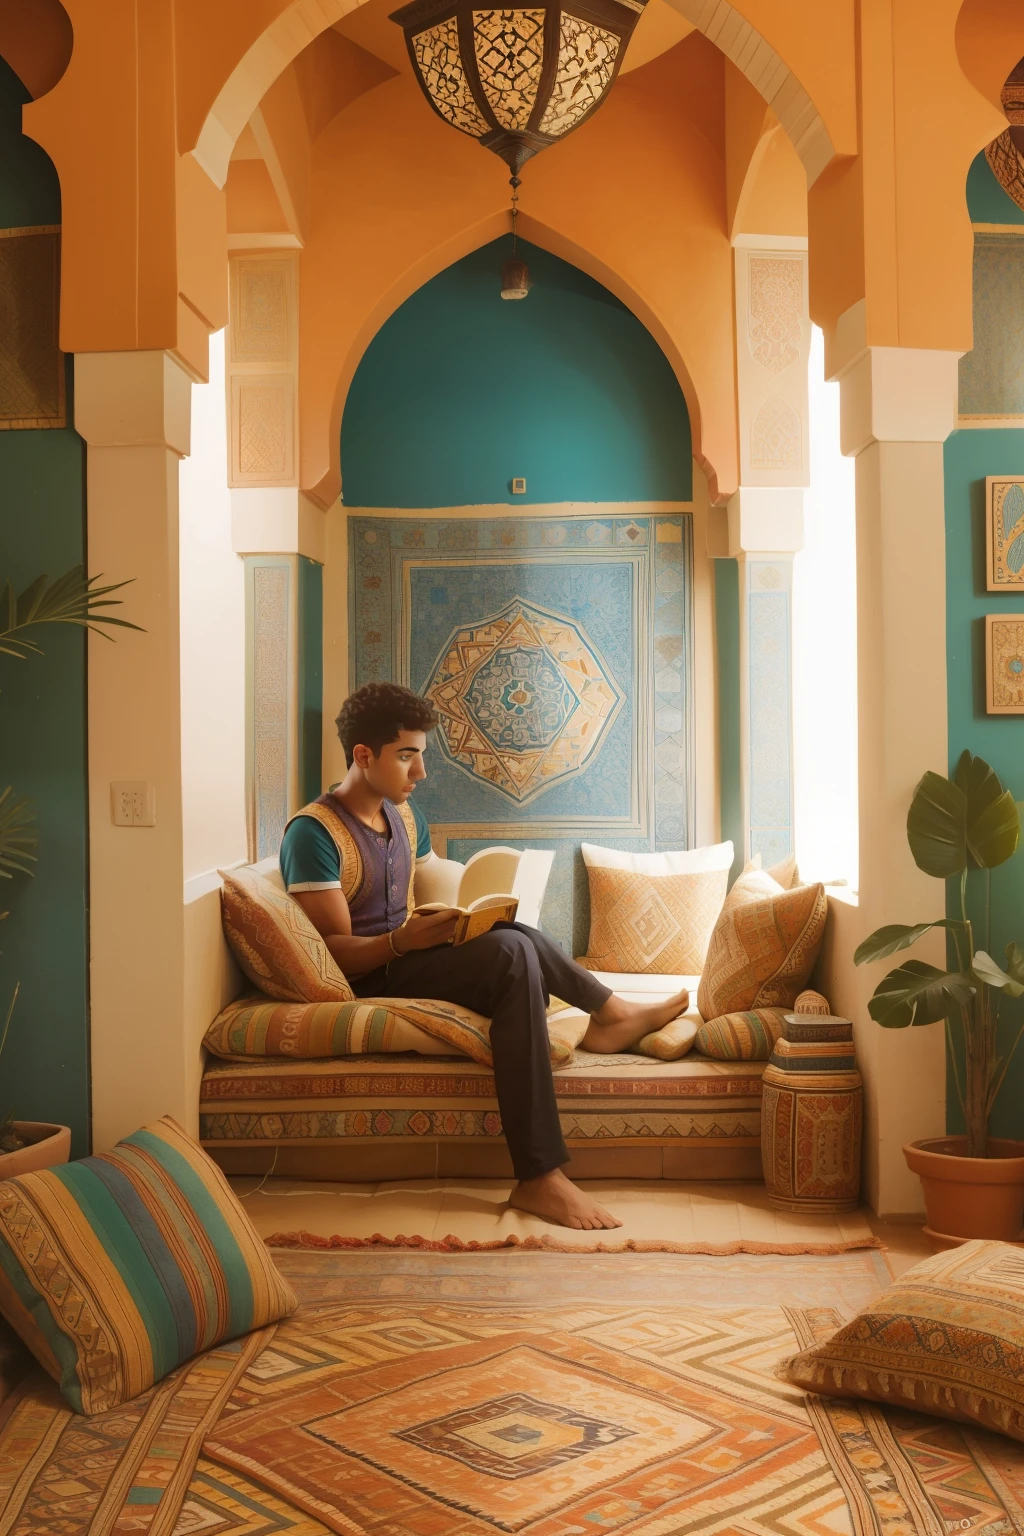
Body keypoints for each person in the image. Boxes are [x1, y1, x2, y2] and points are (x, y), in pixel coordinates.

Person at [278, 681, 690, 1231]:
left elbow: (424, 875)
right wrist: (405, 941)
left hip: (408, 951)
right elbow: (334, 959)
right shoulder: (313, 833)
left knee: (513, 934)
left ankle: (609, 1016)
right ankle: (539, 1174)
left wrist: (457, 917)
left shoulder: (401, 814)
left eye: (420, 756)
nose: (419, 773)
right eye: (406, 757)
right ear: (363, 755)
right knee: (512, 957)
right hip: (373, 973)